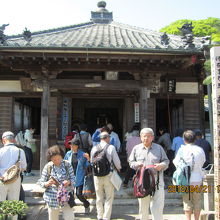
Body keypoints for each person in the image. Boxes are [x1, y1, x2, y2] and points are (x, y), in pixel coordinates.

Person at [129, 128, 169, 220]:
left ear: (152, 137)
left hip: (157, 181)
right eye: (144, 136)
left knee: (158, 207)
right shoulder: (136, 148)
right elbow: (131, 162)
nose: (146, 138)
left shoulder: (159, 148)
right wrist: (136, 165)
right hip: (142, 181)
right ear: (140, 137)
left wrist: (161, 165)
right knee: (143, 207)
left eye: (148, 136)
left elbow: (166, 161)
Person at [173, 130, 205, 220]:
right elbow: (203, 161)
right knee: (197, 200)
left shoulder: (181, 150)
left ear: (184, 139)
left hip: (184, 179)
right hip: (197, 178)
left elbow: (176, 162)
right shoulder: (200, 149)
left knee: (186, 201)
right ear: (195, 139)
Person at [38, 145, 75, 220]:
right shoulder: (48, 166)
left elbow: (74, 179)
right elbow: (41, 182)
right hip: (52, 197)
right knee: (53, 217)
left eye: (59, 158)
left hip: (66, 196)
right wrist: (47, 183)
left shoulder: (67, 165)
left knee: (69, 217)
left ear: (62, 156)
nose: (57, 161)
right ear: (50, 158)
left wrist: (69, 182)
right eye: (54, 159)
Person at [90, 131, 121, 220]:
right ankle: (106, 217)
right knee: (109, 197)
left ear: (100, 138)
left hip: (97, 175)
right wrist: (119, 168)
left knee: (99, 197)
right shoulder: (111, 147)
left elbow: (92, 161)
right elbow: (117, 162)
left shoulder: (94, 148)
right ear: (107, 138)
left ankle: (99, 216)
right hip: (108, 175)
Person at [0, 131, 27, 220]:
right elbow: (24, 167)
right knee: (14, 204)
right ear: (14, 140)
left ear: (3, 140)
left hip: (2, 180)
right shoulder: (20, 151)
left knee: (1, 204)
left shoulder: (0, 151)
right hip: (15, 180)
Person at [64, 139, 90, 213]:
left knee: (79, 194)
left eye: (72, 144)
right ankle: (70, 210)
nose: (71, 146)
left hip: (79, 177)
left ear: (77, 146)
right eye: (70, 144)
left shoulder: (83, 154)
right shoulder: (68, 154)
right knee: (70, 195)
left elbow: (87, 166)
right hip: (70, 177)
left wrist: (88, 159)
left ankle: (86, 204)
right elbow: (64, 164)